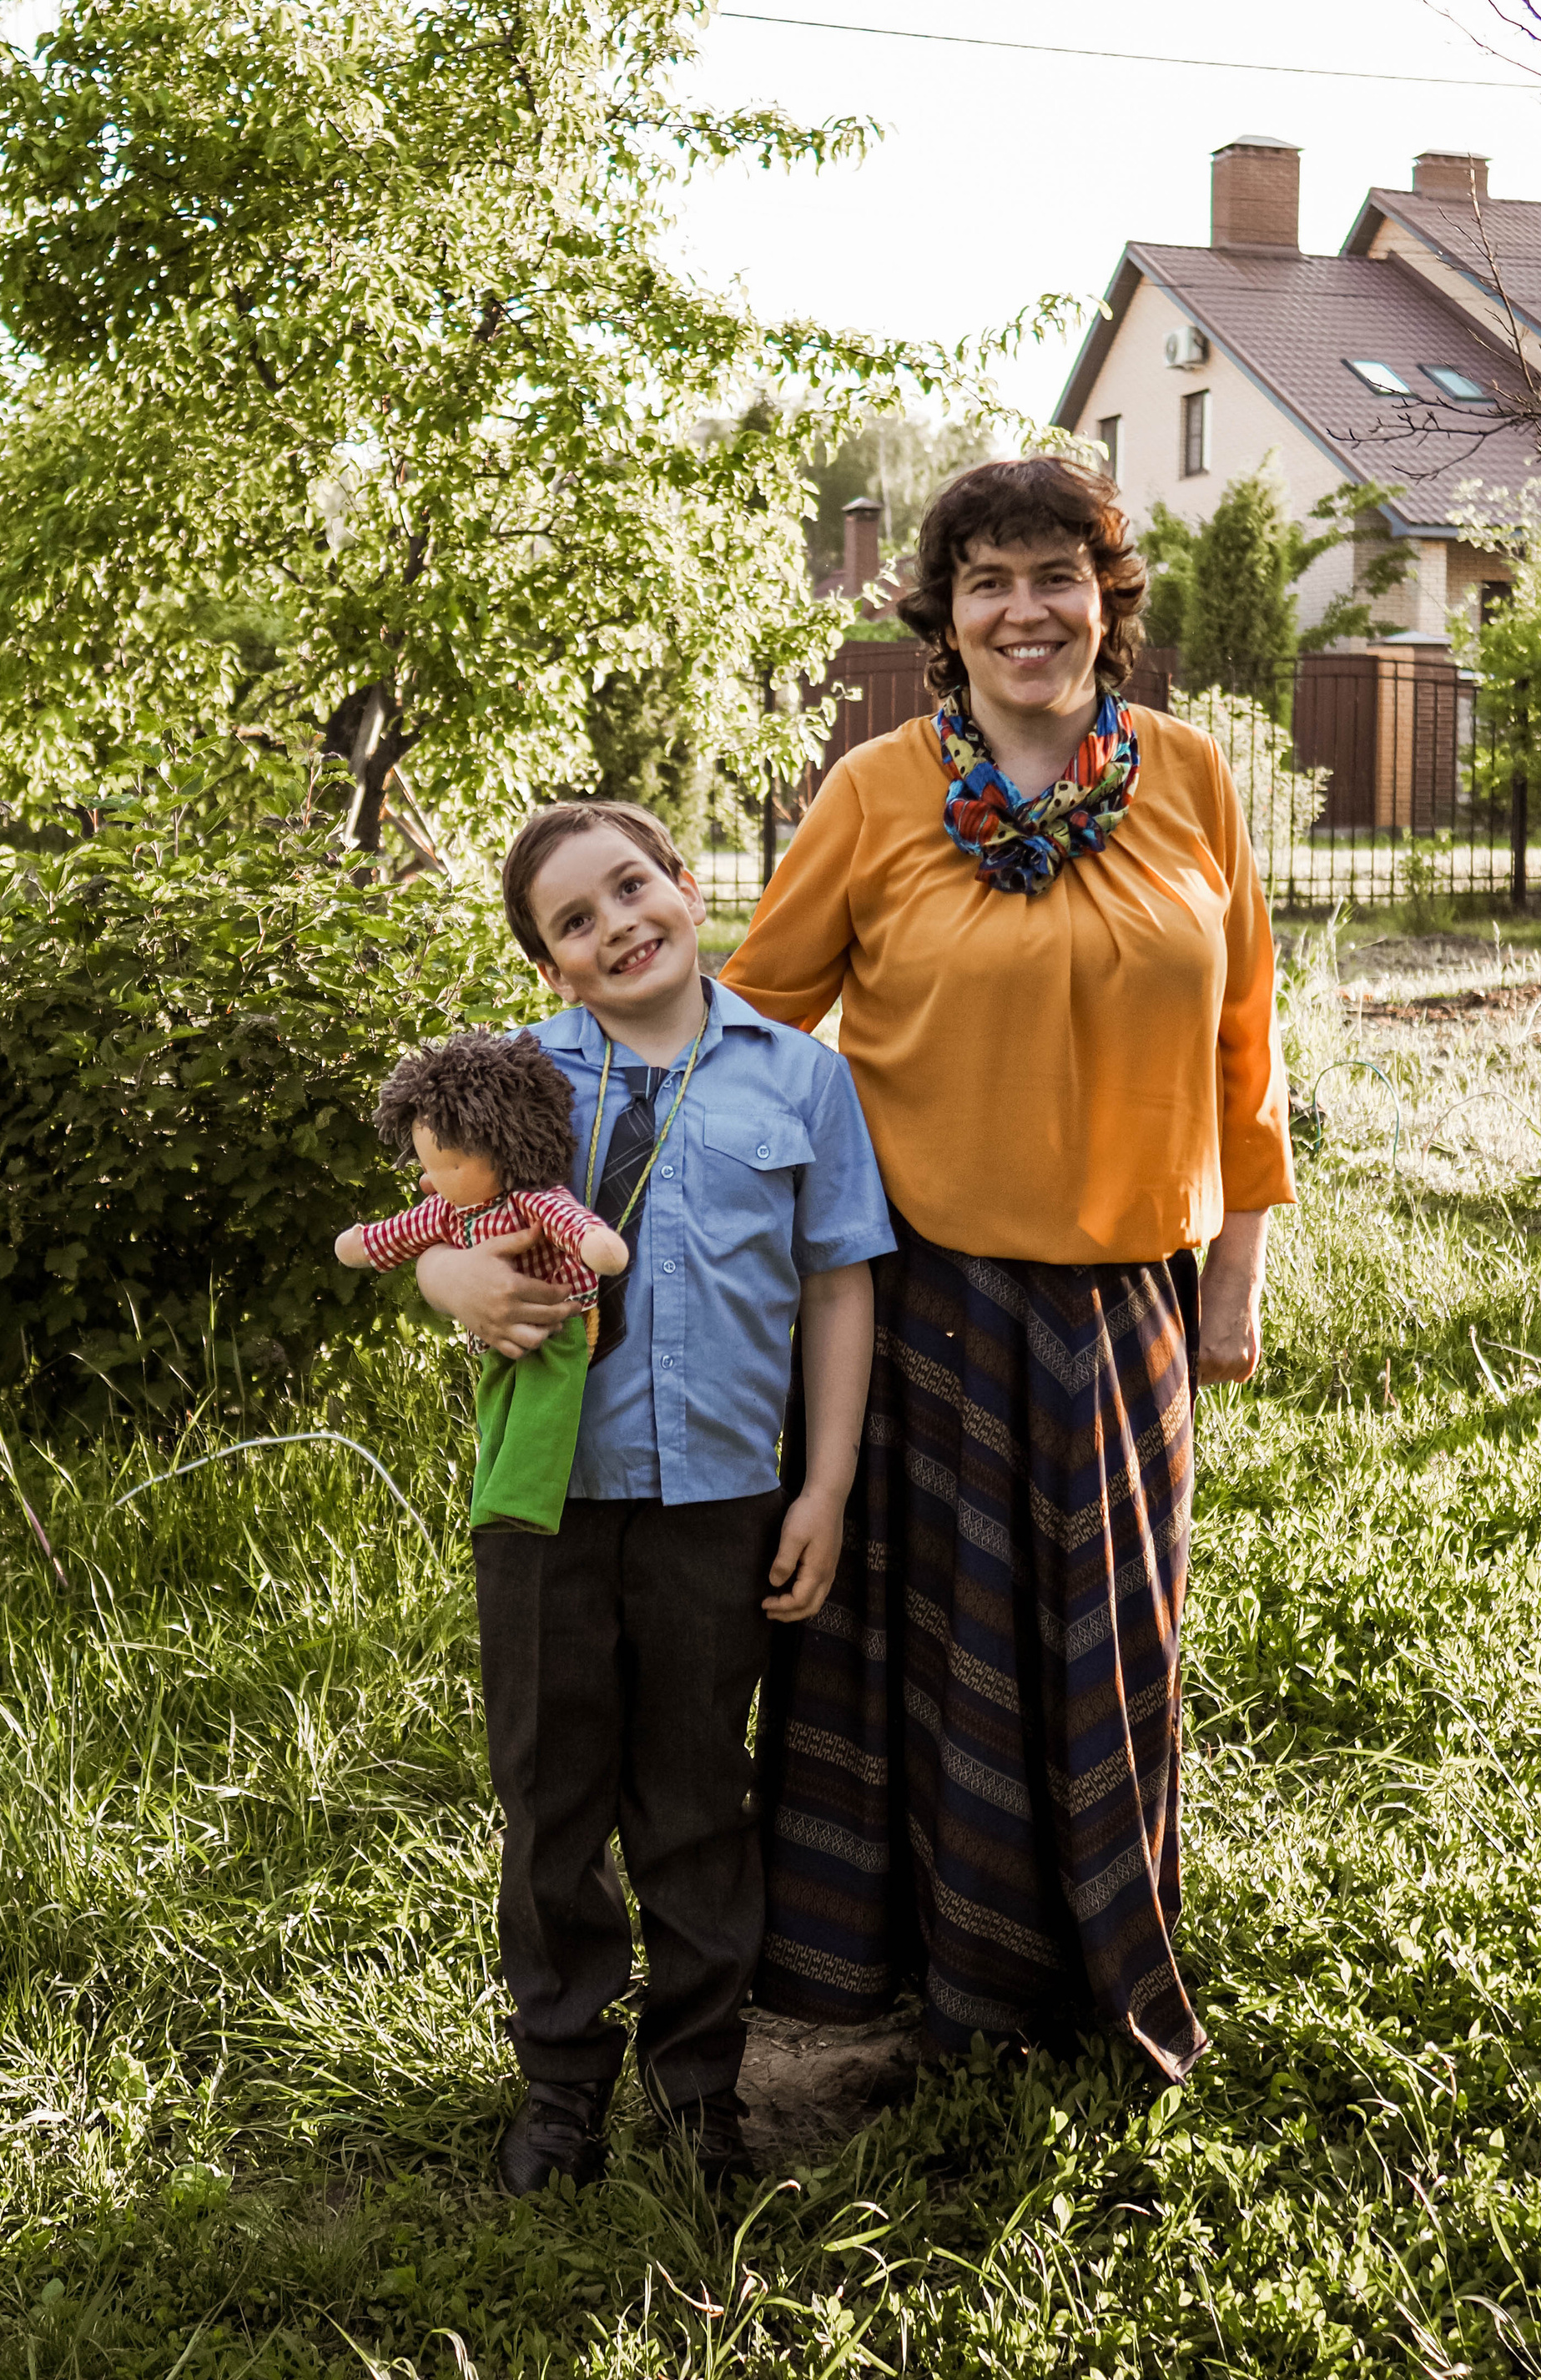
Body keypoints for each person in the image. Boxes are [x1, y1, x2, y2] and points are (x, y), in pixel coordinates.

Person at [718, 455, 1296, 2084]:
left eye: (1055, 574)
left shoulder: (1187, 776)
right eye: (986, 579)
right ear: (944, 613)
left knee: (1100, 1656)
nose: (1022, 609)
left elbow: (1244, 1034)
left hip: (1125, 1304)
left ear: (1106, 603)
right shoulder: (877, 790)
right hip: (915, 1305)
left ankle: (1079, 1987)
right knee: (907, 1662)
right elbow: (755, 1028)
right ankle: (872, 1999)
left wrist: (1234, 1261)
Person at [413, 799, 894, 2193]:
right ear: (553, 969)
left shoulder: (802, 1080)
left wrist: (831, 1481)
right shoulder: (513, 1084)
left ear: (688, 886)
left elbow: (839, 1281)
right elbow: (432, 1224)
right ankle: (562, 2082)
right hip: (546, 1504)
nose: (617, 923)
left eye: (631, 887)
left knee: (695, 1793)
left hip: (723, 1496)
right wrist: (449, 1276)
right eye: (575, 920)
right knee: (552, 1791)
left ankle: (698, 2089)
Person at [333, 1030, 628, 1531]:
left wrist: (596, 1247)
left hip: (559, 1321)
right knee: (496, 1404)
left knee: (543, 1406)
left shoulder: (529, 1199)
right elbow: (396, 1236)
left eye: (452, 1164)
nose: (435, 1179)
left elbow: (573, 1226)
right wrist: (366, 1246)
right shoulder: (447, 1210)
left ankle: (523, 1500)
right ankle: (493, 1500)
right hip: (495, 1334)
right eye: (432, 1165)